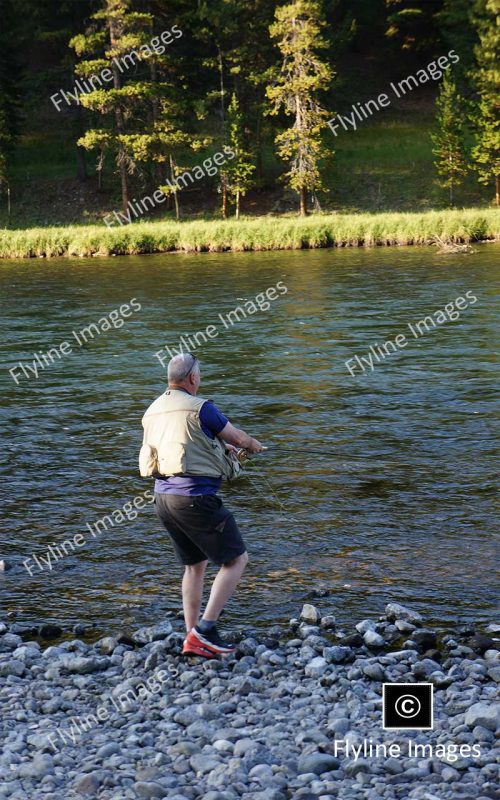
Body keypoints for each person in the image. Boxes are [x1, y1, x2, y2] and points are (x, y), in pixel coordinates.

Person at [141, 353, 264, 659]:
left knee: (194, 566)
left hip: (163, 500)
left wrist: (226, 447)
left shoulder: (153, 410)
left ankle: (191, 635)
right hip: (195, 499)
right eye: (200, 375)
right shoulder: (202, 407)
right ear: (193, 378)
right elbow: (235, 436)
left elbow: (186, 442)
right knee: (236, 560)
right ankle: (206, 630)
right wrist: (252, 444)